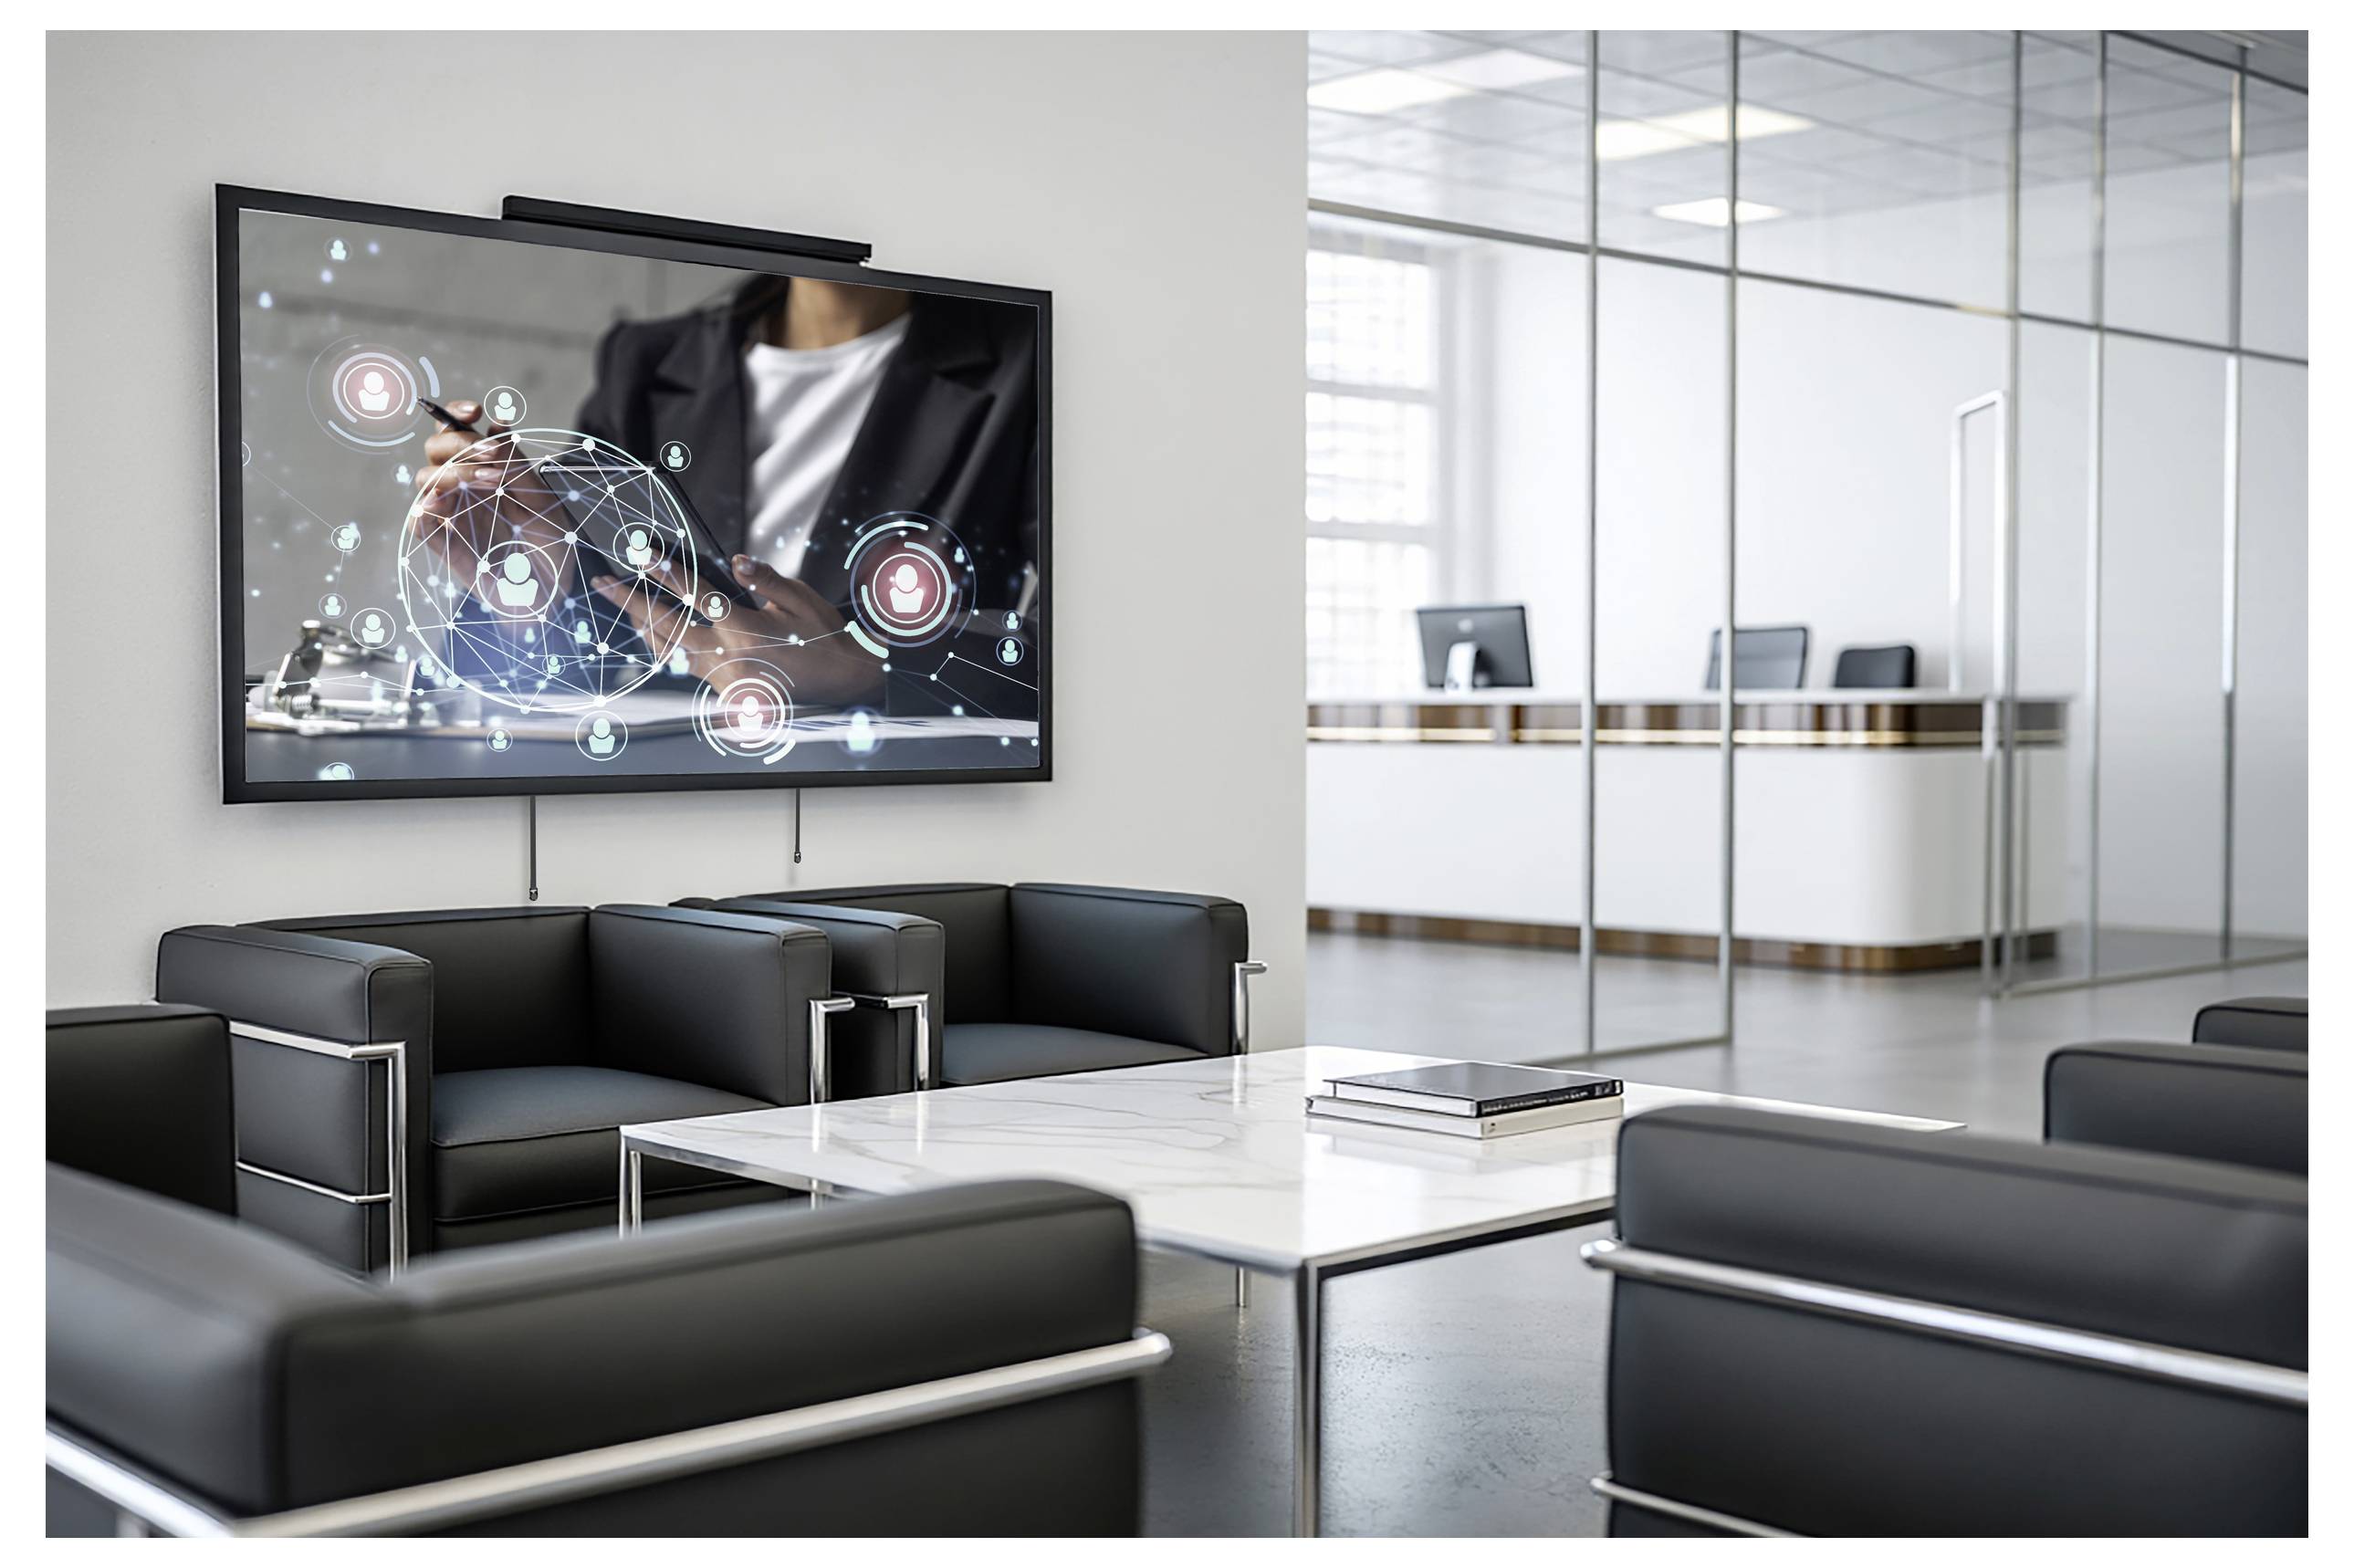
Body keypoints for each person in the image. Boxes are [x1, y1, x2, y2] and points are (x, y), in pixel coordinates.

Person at [413, 272, 1036, 713]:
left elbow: (1091, 645)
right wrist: (533, 593)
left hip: (905, 797)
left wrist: (876, 667)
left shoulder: (1029, 361)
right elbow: (585, 664)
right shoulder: (647, 364)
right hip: (674, 792)